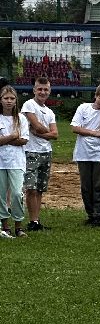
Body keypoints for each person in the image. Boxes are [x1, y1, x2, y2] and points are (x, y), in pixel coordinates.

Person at [71, 83, 100, 227]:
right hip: (84, 153)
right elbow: (75, 127)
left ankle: (98, 216)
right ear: (96, 96)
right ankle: (90, 214)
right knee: (86, 187)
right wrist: (93, 133)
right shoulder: (83, 108)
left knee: (99, 186)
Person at [21, 76, 57, 232]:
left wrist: (42, 133)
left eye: (46, 89)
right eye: (40, 89)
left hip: (46, 152)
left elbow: (55, 134)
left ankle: (36, 221)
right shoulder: (29, 104)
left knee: (40, 188)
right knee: (31, 188)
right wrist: (47, 132)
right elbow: (36, 126)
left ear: (49, 91)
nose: (43, 92)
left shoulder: (49, 111)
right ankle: (32, 221)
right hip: (30, 151)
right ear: (34, 90)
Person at [0, 86, 29, 238]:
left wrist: (4, 140)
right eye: (6, 98)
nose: (9, 101)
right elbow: (16, 137)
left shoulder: (21, 118)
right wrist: (12, 136)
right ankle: (5, 226)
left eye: (12, 98)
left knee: (17, 193)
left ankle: (18, 225)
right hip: (1, 162)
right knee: (1, 194)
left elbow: (23, 140)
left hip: (16, 162)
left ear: (16, 100)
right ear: (1, 100)